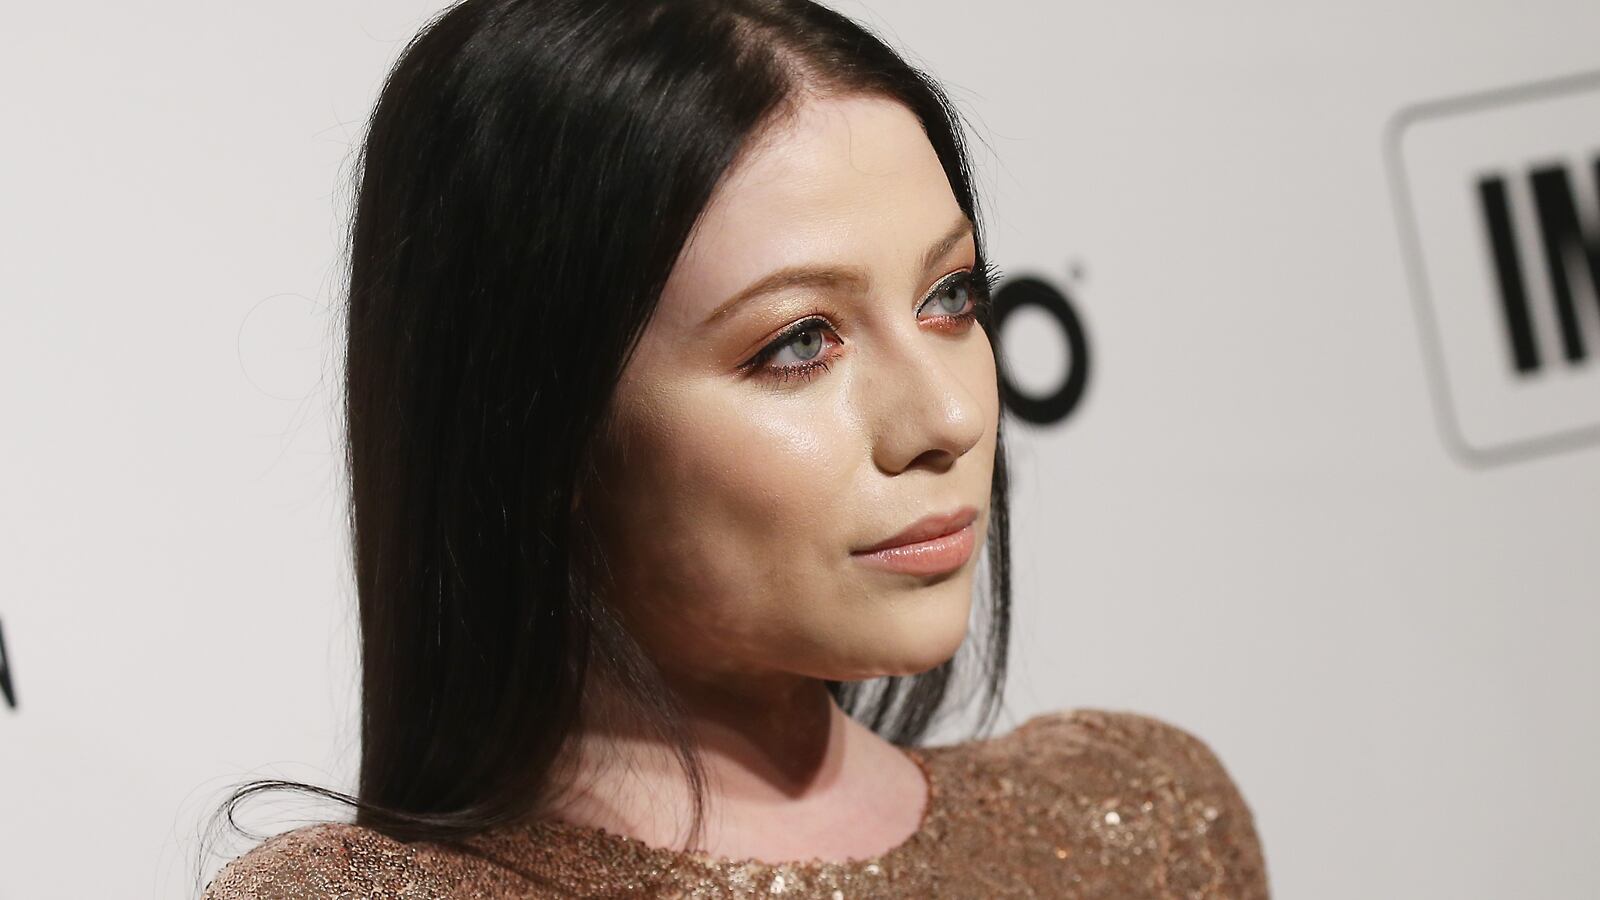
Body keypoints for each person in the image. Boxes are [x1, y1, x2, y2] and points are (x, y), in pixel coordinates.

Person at [199, 0, 1271, 896]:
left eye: (950, 298)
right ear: (541, 424)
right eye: (800, 341)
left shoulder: (1140, 833)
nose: (944, 419)